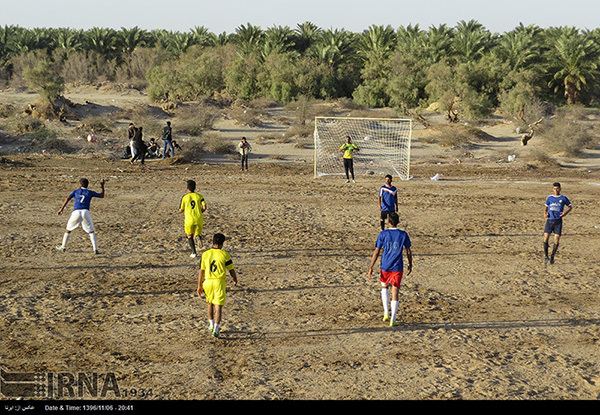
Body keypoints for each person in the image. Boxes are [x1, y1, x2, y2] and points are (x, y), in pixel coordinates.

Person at [366, 212, 412, 327]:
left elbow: (377, 251)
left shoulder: (383, 234)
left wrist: (371, 267)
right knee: (395, 292)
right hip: (397, 266)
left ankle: (386, 312)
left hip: (385, 266)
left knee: (384, 287)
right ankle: (393, 319)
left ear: (388, 222)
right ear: (398, 222)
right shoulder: (403, 234)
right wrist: (410, 264)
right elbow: (408, 251)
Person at [197, 233, 238, 338]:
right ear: (222, 244)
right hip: (219, 282)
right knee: (218, 306)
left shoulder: (205, 254)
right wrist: (234, 278)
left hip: (207, 281)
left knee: (209, 303)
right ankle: (216, 328)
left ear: (212, 242)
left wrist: (199, 285)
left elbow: (201, 271)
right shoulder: (224, 254)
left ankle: (210, 324)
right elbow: (231, 269)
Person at [56, 178, 105, 254]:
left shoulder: (76, 191)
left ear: (80, 184)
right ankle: (95, 249)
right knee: (91, 231)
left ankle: (63, 247)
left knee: (68, 230)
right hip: (85, 212)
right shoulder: (89, 192)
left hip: (76, 212)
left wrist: (61, 209)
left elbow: (67, 199)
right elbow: (101, 195)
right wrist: (102, 186)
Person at [543, 182, 572, 264]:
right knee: (545, 238)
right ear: (552, 189)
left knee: (556, 239)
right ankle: (546, 256)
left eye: (557, 189)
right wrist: (545, 213)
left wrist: (565, 213)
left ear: (560, 189)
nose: (556, 190)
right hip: (549, 220)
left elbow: (570, 207)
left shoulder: (563, 198)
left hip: (558, 221)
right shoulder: (549, 198)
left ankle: (552, 256)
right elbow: (546, 206)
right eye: (554, 189)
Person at [179, 180, 207, 258]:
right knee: (197, 233)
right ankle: (198, 236)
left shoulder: (184, 197)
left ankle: (194, 252)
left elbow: (181, 210)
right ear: (195, 187)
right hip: (198, 218)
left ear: (187, 188)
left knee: (189, 235)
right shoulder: (199, 196)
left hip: (189, 219)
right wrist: (200, 212)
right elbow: (204, 207)